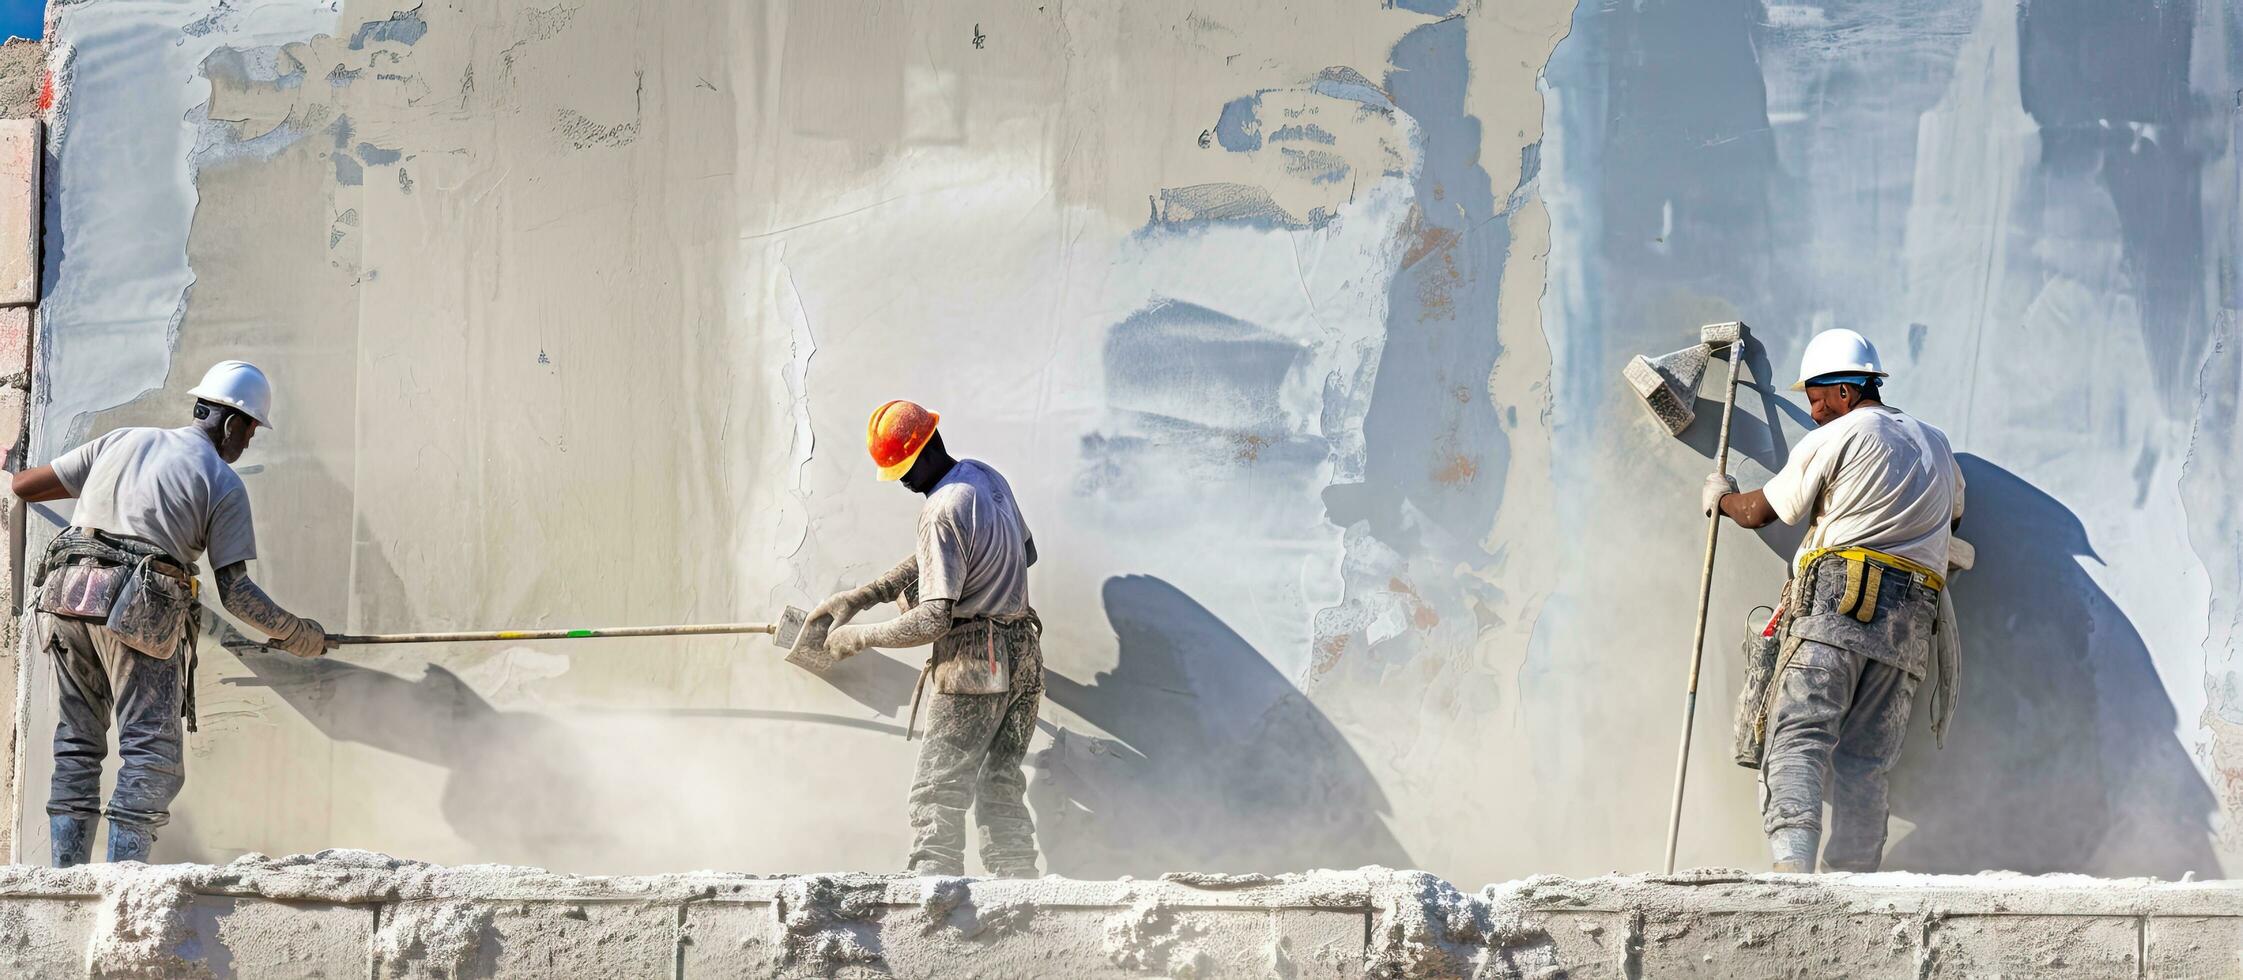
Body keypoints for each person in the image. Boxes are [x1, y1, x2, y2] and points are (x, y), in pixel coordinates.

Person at [11, 361, 330, 865]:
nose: (246, 444)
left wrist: (103, 493)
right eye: (249, 432)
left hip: (66, 593)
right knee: (150, 755)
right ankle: (123, 887)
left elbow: (25, 487)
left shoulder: (118, 442)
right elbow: (237, 595)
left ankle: (64, 882)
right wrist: (298, 634)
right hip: (137, 601)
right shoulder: (222, 481)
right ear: (231, 424)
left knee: (76, 741)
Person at [1704, 329, 1964, 873]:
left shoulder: (1841, 434)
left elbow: (1764, 511)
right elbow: (1953, 515)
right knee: (1866, 761)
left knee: (1798, 733)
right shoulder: (1935, 442)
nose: (1815, 410)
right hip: (1911, 626)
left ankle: (1793, 871)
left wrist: (1723, 498)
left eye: (1818, 397)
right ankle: (1852, 880)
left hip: (1842, 608)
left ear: (1846, 390)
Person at [801, 399, 1044, 877]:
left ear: (930, 445)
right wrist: (869, 593)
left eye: (907, 468)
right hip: (1025, 657)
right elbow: (1026, 552)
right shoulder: (985, 477)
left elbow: (933, 620)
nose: (905, 481)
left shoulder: (938, 510)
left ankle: (934, 899)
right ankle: (1021, 897)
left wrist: (860, 638)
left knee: (939, 790)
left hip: (976, 661)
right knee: (1000, 783)